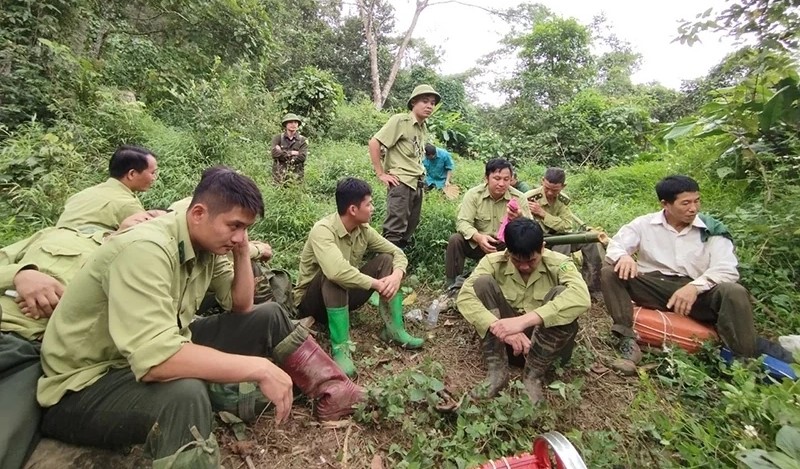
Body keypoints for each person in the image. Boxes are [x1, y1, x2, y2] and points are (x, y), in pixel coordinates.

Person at [37, 167, 363, 468]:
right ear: (197, 214)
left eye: (246, 228)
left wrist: (241, 251)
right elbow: (155, 361)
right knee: (184, 394)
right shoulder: (145, 249)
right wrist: (260, 368)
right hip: (86, 385)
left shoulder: (206, 243)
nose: (240, 236)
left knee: (269, 314)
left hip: (150, 351)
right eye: (234, 226)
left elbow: (241, 306)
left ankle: (336, 393)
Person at [0, 211, 162, 469]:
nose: (149, 219)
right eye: (149, 213)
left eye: (158, 222)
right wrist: (22, 275)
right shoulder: (60, 234)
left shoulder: (144, 269)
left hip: (31, 350)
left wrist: (72, 309)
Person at [602, 175, 796, 373]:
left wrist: (695, 287)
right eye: (685, 203)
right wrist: (623, 256)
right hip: (655, 287)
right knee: (610, 272)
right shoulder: (644, 224)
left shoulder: (711, 229)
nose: (693, 208)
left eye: (697, 201)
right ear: (665, 204)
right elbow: (616, 245)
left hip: (698, 295)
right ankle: (627, 340)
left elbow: (727, 268)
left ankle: (743, 360)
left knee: (733, 291)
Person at [295, 177, 423, 377]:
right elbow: (336, 272)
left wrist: (397, 275)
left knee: (386, 260)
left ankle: (394, 330)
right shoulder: (323, 230)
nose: (373, 208)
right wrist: (376, 284)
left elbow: (397, 252)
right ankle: (341, 348)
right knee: (335, 275)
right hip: (312, 303)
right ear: (353, 209)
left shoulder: (363, 230)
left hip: (344, 298)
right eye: (369, 204)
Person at [457, 217, 590, 403]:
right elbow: (464, 296)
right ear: (508, 251)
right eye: (517, 260)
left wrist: (524, 321)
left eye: (531, 260)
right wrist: (500, 327)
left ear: (542, 247)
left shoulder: (560, 263)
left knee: (562, 293)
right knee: (482, 283)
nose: (524, 266)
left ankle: (533, 377)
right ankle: (497, 372)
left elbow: (581, 297)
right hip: (506, 344)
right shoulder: (492, 262)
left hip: (547, 350)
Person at [368, 84, 441, 249]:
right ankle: (385, 262)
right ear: (413, 102)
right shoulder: (400, 121)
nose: (429, 106)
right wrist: (381, 174)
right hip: (401, 183)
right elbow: (374, 142)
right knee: (394, 231)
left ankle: (399, 261)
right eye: (425, 101)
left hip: (417, 183)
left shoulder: (422, 127)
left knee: (408, 230)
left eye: (432, 103)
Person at [445, 158, 531, 292]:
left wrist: (520, 218)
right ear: (486, 178)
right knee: (456, 239)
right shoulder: (474, 195)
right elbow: (463, 222)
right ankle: (451, 284)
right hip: (478, 243)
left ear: (511, 180)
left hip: (505, 246)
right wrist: (478, 237)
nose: (501, 183)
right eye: (497, 178)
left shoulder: (519, 198)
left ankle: (514, 282)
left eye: (506, 179)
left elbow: (530, 229)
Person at [524, 168, 604, 294]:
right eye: (547, 188)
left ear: (563, 186)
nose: (550, 193)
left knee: (589, 239)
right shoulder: (529, 198)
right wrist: (556, 223)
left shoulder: (562, 200)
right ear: (542, 181)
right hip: (538, 239)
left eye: (555, 190)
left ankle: (592, 285)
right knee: (563, 243)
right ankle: (560, 284)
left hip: (559, 236)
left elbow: (566, 226)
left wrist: (543, 214)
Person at [56, 145, 158, 231]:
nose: (154, 177)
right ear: (132, 174)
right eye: (152, 172)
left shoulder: (82, 194)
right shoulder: (127, 204)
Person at [271, 113, 308, 184]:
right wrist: (291, 153)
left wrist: (282, 152)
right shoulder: (278, 138)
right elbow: (274, 154)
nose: (293, 124)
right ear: (285, 124)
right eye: (290, 122)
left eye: (295, 122)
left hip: (296, 177)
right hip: (279, 177)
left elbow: (302, 157)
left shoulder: (302, 140)